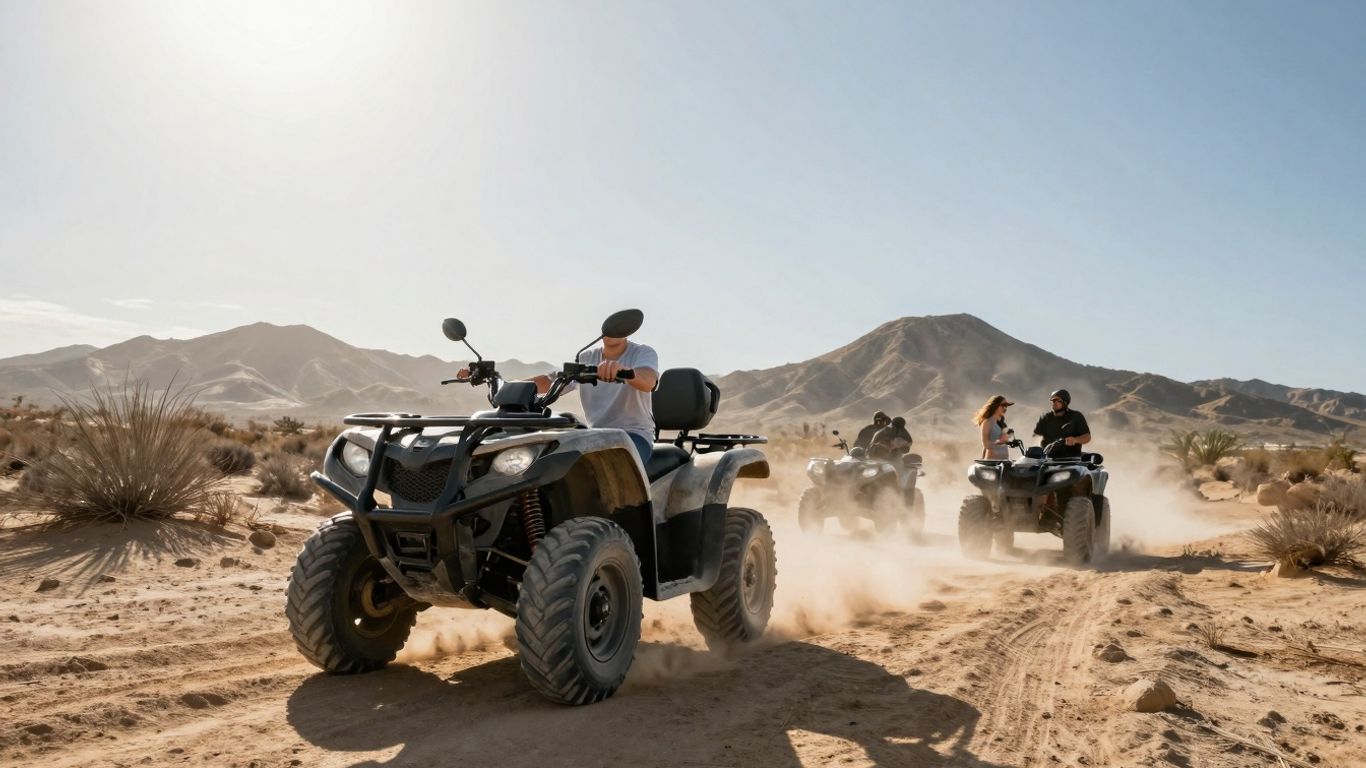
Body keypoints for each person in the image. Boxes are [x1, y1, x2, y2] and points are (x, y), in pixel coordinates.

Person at [460, 325, 660, 465]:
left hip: (633, 435)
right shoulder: (587, 357)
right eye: (607, 326)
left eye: (617, 326)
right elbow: (551, 379)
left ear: (626, 329)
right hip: (596, 434)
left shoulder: (642, 353)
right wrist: (503, 384)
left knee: (611, 471)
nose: (611, 330)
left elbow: (648, 380)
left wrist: (623, 371)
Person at [1032, 389, 1091, 459]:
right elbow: (1036, 436)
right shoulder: (1046, 417)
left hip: (1071, 460)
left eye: (1058, 401)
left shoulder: (1076, 416)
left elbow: (1087, 436)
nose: (1054, 403)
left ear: (1065, 402)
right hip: (1047, 460)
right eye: (1053, 401)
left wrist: (1075, 440)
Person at [973, 395, 1014, 460]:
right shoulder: (987, 422)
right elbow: (986, 444)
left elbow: (1004, 443)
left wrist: (1011, 440)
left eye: (1006, 406)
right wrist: (1000, 441)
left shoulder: (1003, 424)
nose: (1005, 408)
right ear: (995, 406)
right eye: (1003, 405)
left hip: (1005, 461)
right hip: (992, 464)